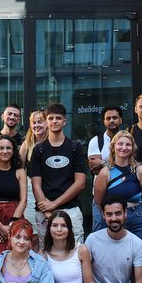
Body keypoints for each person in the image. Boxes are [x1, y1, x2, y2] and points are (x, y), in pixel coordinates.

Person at [30, 103, 86, 245]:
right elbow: (36, 184)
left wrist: (54, 204)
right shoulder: (39, 149)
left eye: (58, 118)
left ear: (64, 121)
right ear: (46, 122)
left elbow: (80, 183)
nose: (54, 121)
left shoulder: (75, 147)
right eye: (51, 118)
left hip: (71, 209)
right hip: (44, 212)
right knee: (46, 254)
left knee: (75, 253)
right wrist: (47, 210)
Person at [92, 130, 142, 254]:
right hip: (113, 219)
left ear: (132, 148)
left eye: (128, 145)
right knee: (112, 256)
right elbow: (98, 201)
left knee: (141, 256)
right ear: (113, 147)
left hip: (137, 219)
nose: (124, 148)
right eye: (120, 144)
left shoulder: (140, 170)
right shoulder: (105, 172)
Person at [88, 106, 123, 230]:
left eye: (115, 118)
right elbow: (95, 168)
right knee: (99, 234)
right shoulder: (96, 141)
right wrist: (118, 163)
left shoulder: (127, 140)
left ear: (121, 120)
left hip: (123, 197)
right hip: (100, 198)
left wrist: (103, 163)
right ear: (104, 121)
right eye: (108, 118)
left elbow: (129, 166)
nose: (112, 120)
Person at [19, 110, 47, 224]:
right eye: (33, 123)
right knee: (32, 223)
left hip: (49, 187)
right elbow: (19, 167)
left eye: (40, 122)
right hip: (31, 189)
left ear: (46, 123)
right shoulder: (27, 144)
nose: (36, 125)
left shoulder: (52, 142)